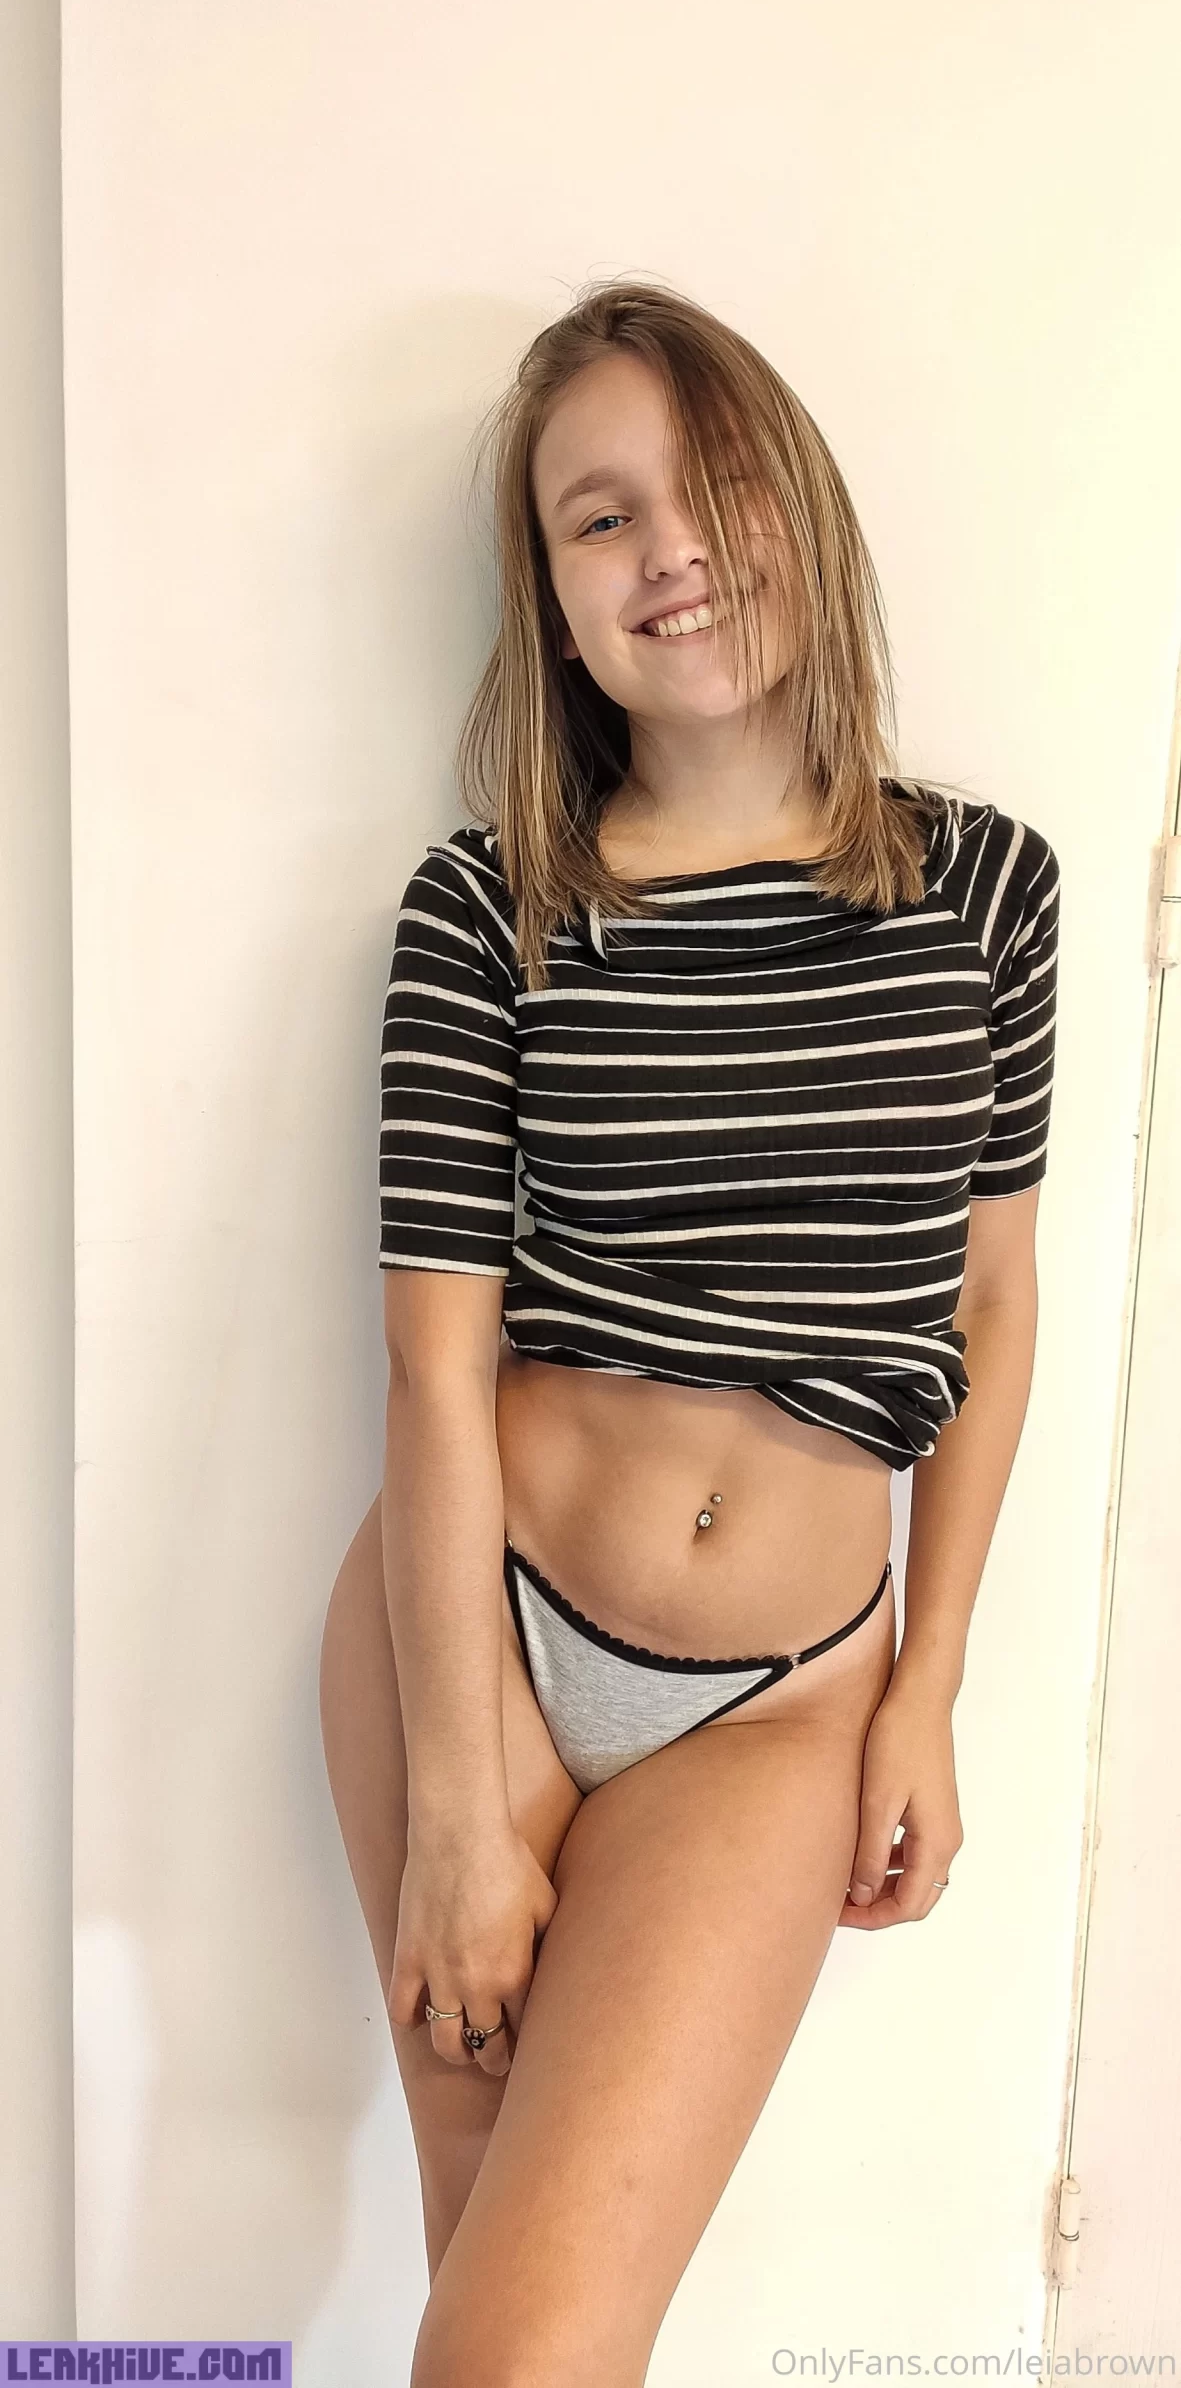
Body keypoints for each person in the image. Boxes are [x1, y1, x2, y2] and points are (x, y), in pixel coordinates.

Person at [319, 277, 1060, 2385]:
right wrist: (457, 1808)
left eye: (710, 486)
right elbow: (433, 1365)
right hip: (476, 1636)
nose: (670, 551)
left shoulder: (984, 888)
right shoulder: (491, 908)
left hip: (775, 1707)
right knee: (496, 2318)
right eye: (599, 516)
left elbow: (990, 1302)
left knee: (521, 2345)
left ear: (797, 505)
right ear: (554, 605)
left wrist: (928, 1681)